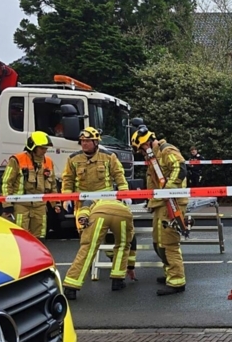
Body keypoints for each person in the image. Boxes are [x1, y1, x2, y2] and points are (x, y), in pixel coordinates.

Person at [61, 126, 135, 286]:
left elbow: (119, 175)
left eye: (88, 141)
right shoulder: (73, 158)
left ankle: (111, 258)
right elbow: (68, 178)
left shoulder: (108, 156)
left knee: (109, 235)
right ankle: (86, 264)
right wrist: (66, 196)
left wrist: (124, 193)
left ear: (95, 142)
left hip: (104, 200)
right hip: (83, 202)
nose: (84, 144)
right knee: (85, 235)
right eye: (82, 141)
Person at [131, 125, 188, 295]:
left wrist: (168, 191)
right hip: (160, 203)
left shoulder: (166, 150)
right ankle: (170, 273)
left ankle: (177, 281)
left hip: (172, 203)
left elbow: (180, 169)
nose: (141, 153)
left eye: (141, 149)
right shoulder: (154, 157)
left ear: (146, 142)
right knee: (158, 243)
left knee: (168, 243)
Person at [62, 199, 135, 300]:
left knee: (88, 248)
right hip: (123, 214)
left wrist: (82, 217)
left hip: (99, 214)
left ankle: (71, 287)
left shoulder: (95, 199)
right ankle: (117, 281)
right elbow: (133, 241)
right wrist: (131, 266)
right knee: (123, 245)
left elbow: (85, 206)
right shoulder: (119, 201)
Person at [1, 131, 57, 240]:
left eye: (46, 148)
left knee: (40, 237)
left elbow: (53, 185)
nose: (44, 151)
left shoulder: (48, 162)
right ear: (33, 147)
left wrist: (56, 204)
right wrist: (7, 205)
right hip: (21, 205)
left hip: (40, 206)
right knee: (20, 238)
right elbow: (6, 183)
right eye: (42, 148)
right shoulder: (17, 160)